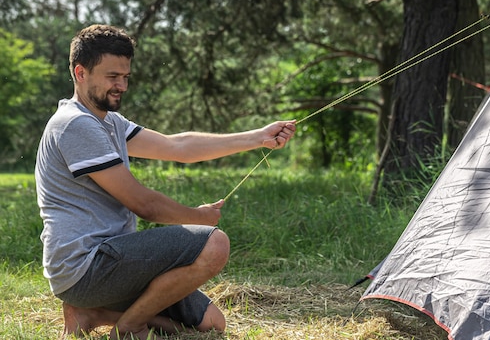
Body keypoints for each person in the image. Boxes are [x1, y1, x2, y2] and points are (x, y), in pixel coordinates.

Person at [34, 24, 296, 340]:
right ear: (81, 73)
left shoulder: (109, 122)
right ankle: (129, 327)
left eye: (126, 77)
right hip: (87, 268)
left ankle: (96, 313)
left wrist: (257, 137)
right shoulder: (75, 125)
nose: (122, 86)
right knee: (215, 244)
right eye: (112, 77)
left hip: (113, 263)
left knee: (212, 324)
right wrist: (199, 217)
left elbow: (177, 146)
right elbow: (144, 205)